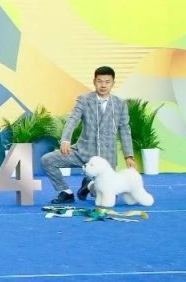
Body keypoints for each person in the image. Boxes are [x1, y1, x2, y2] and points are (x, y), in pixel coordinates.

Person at [42, 66, 136, 204]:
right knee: (47, 160)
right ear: (94, 81)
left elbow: (124, 129)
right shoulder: (84, 100)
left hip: (106, 159)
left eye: (107, 82)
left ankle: (89, 185)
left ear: (113, 83)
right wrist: (65, 140)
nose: (103, 85)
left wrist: (129, 156)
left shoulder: (120, 104)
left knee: (108, 197)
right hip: (82, 152)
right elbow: (72, 119)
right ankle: (66, 192)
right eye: (99, 81)